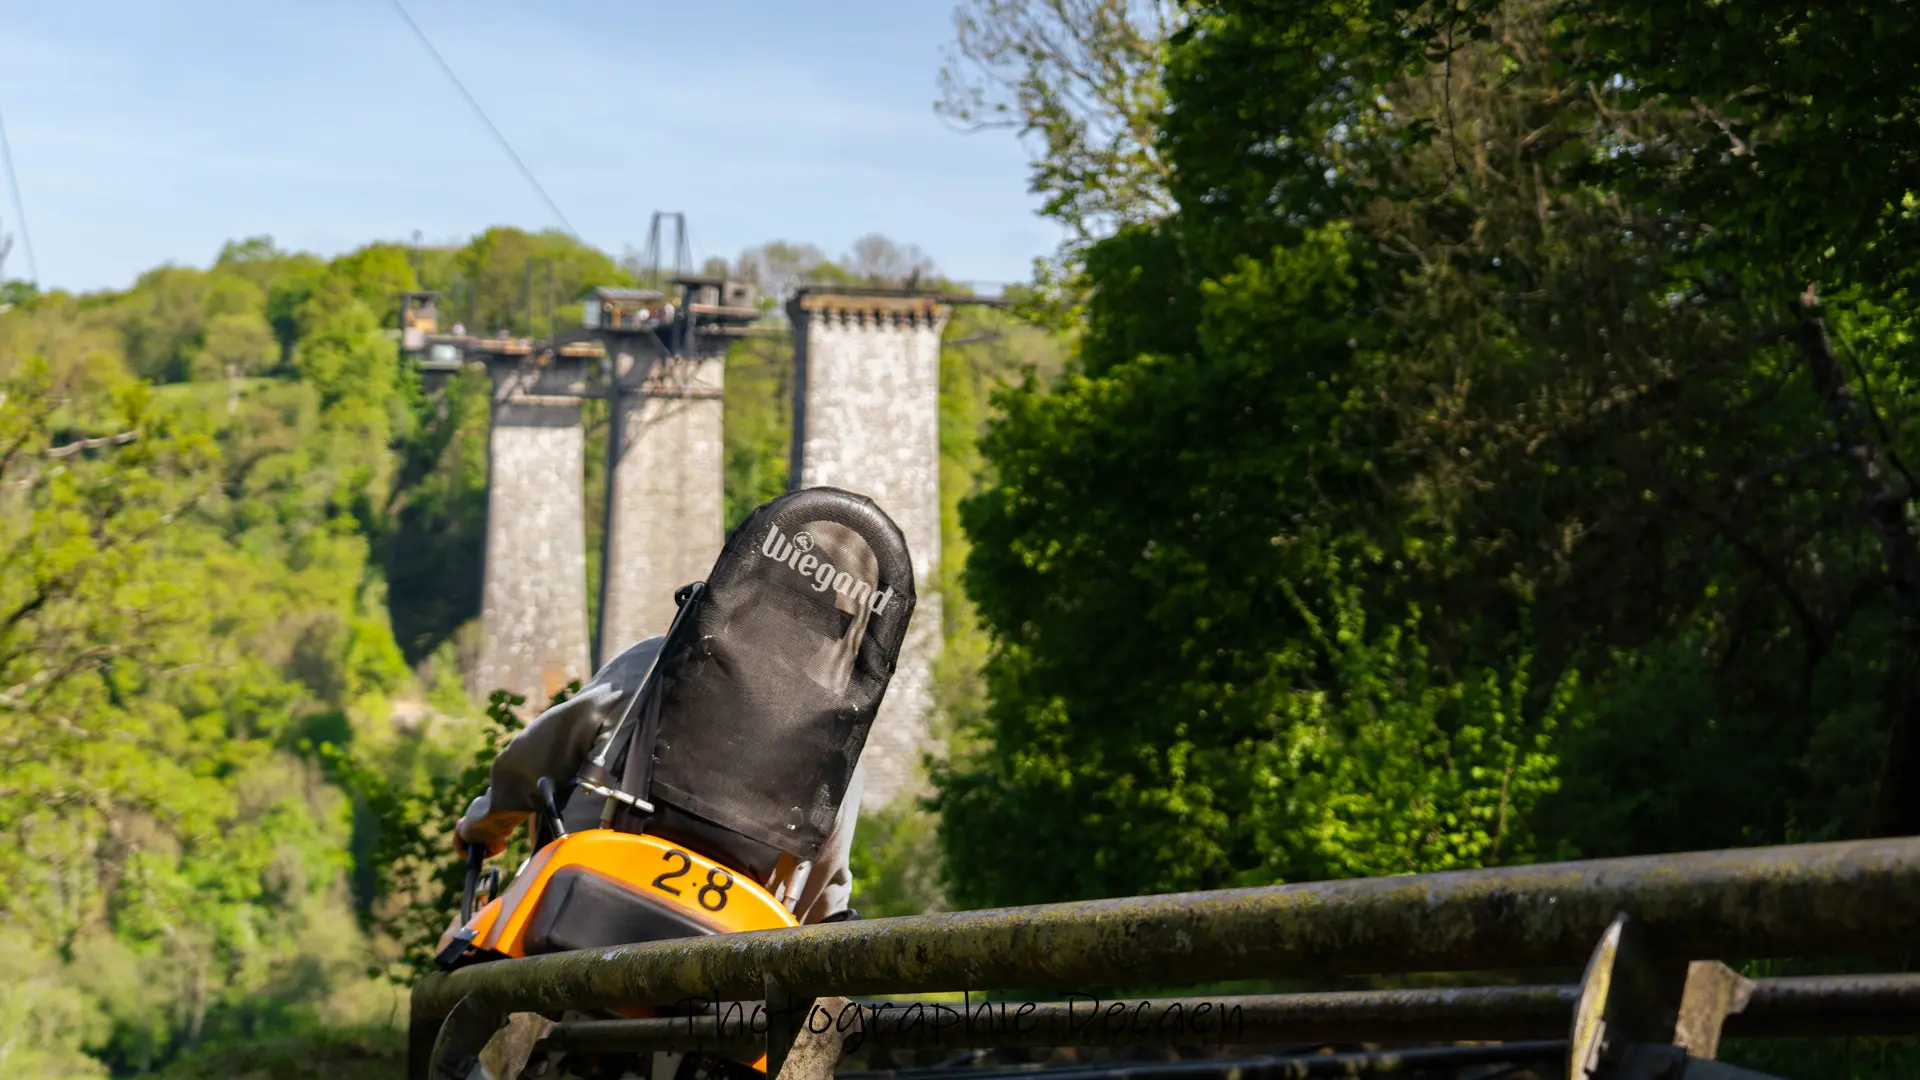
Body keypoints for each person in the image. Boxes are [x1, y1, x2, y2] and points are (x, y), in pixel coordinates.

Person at [452, 636, 862, 925]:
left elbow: (536, 757)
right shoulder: (836, 738)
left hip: (587, 896)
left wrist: (485, 826)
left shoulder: (658, 658)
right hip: (734, 933)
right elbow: (825, 873)